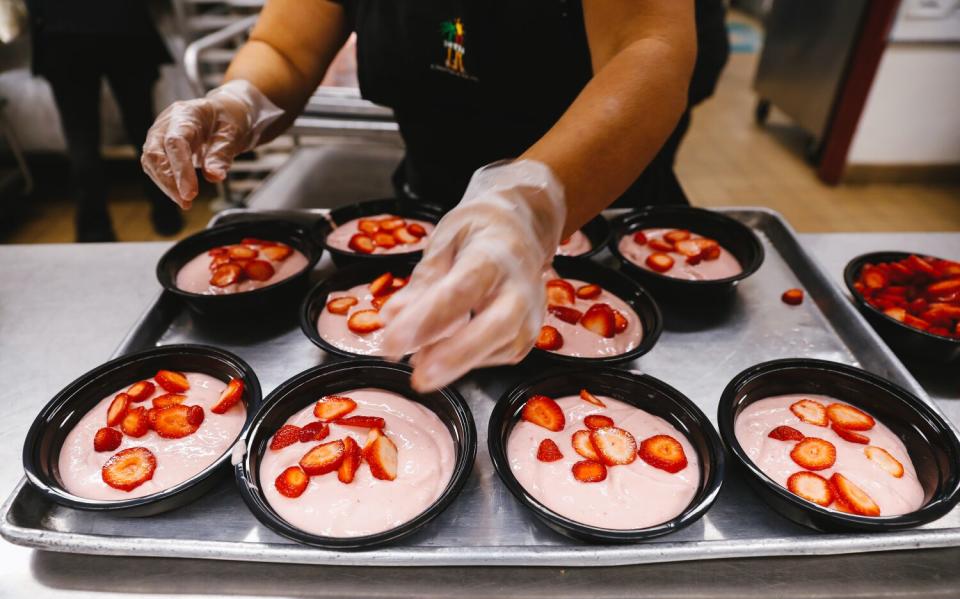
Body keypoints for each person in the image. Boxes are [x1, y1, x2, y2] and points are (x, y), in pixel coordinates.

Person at [142, 0, 720, 390]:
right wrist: (241, 100)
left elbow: (647, 50)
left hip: (600, 216)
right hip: (425, 211)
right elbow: (286, 49)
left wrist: (534, 200)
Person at [26, 0, 182, 242]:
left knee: (81, 138)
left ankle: (94, 230)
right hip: (122, 23)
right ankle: (167, 213)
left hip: (61, 30)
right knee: (143, 128)